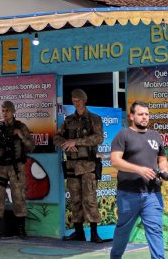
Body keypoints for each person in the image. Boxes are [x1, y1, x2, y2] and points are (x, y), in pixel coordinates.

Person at [110, 101, 168, 259]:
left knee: (155, 230)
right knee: (123, 231)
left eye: (147, 114)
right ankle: (115, 257)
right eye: (140, 114)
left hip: (152, 194)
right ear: (131, 116)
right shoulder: (123, 135)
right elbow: (115, 161)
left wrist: (164, 171)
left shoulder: (155, 136)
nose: (144, 117)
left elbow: (162, 159)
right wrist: (139, 169)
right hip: (128, 194)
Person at [54, 89, 103, 243]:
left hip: (88, 166)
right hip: (72, 166)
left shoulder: (94, 119)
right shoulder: (68, 120)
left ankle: (94, 233)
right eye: (73, 100)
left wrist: (76, 141)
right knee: (75, 200)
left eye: (78, 100)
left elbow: (98, 138)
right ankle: (79, 232)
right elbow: (56, 137)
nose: (76, 103)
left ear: (84, 100)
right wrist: (66, 144)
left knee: (89, 199)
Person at [0, 101, 35, 241]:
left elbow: (31, 146)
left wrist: (21, 136)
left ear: (13, 112)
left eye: (7, 110)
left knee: (18, 196)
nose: (4, 113)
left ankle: (20, 229)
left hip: (16, 167)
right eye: (3, 110)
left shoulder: (21, 127)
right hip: (0, 166)